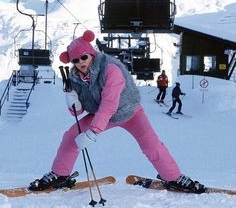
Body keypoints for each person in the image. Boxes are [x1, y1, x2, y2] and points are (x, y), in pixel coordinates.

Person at [28, 30, 205, 193]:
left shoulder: (111, 69)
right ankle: (60, 174)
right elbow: (78, 112)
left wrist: (92, 133)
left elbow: (109, 104)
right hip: (103, 116)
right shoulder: (74, 78)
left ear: (91, 54)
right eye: (75, 60)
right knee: (70, 136)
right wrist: (71, 101)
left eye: (83, 57)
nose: (80, 62)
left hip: (130, 112)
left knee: (151, 145)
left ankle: (173, 178)